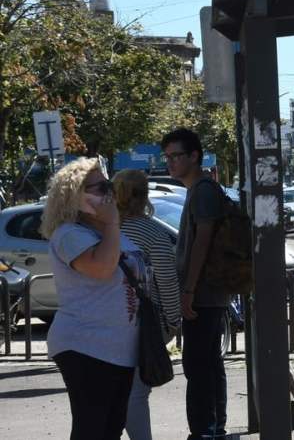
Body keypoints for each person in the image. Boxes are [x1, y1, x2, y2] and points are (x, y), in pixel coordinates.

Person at [40, 157, 145, 440]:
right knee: (92, 428)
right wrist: (111, 223)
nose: (109, 194)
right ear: (75, 197)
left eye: (109, 185)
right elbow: (101, 268)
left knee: (111, 427)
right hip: (85, 346)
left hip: (119, 348)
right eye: (100, 189)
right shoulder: (69, 234)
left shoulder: (109, 231)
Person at [161, 128, 229, 440]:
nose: (170, 162)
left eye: (176, 156)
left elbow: (202, 240)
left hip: (203, 294)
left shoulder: (202, 191)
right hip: (207, 293)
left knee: (198, 366)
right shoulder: (199, 189)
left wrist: (188, 290)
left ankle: (204, 430)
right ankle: (212, 428)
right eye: (167, 157)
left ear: (194, 156)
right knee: (208, 363)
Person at [113, 169, 182, 440]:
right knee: (137, 392)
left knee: (112, 390)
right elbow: (166, 282)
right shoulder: (153, 232)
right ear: (144, 196)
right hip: (140, 322)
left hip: (104, 321)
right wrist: (173, 322)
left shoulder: (103, 229)